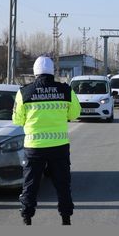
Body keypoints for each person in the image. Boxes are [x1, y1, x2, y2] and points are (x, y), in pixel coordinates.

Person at [12, 55, 81, 225]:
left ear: (35, 73)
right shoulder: (66, 90)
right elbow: (75, 114)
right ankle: (66, 219)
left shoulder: (24, 92)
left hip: (34, 148)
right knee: (62, 184)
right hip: (59, 146)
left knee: (30, 184)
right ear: (53, 71)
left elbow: (17, 120)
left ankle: (27, 218)